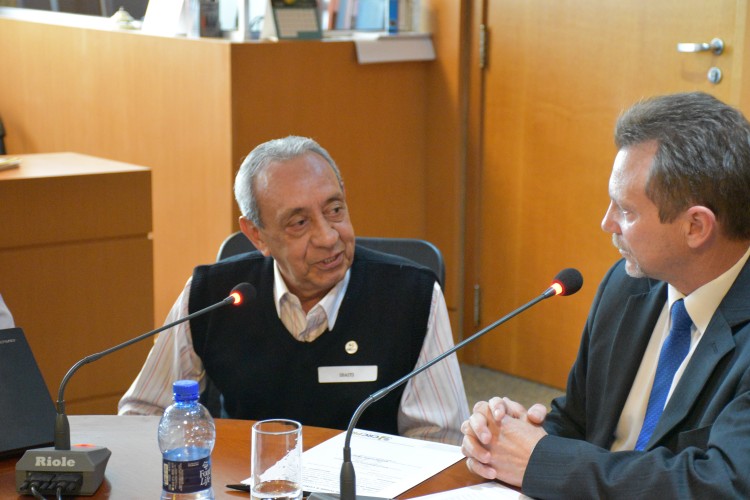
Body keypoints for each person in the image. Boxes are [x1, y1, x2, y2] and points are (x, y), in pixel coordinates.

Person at [461, 92, 750, 497]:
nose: (606, 223)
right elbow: (582, 420)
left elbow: (721, 484)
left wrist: (544, 460)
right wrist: (518, 435)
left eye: (626, 211)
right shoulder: (627, 284)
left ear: (695, 227)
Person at [119, 135, 469, 444]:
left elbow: (439, 440)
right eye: (299, 223)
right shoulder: (213, 296)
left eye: (335, 210)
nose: (328, 237)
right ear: (256, 235)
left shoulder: (412, 296)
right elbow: (143, 413)